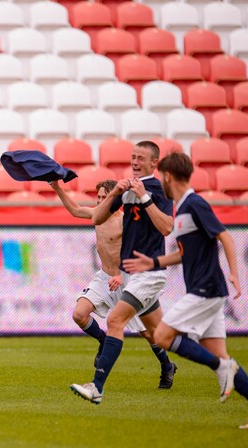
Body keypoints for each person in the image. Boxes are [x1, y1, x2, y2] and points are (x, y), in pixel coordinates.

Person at [123, 152, 248, 429]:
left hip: (206, 289)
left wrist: (234, 273)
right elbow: (184, 253)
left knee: (163, 336)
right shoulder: (182, 209)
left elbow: (225, 236)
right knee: (220, 353)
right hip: (204, 289)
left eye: (163, 179)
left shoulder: (194, 204)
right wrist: (154, 262)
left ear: (167, 177)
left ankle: (221, 369)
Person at [70, 140, 174, 404]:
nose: (135, 162)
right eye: (133, 157)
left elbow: (166, 228)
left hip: (146, 273)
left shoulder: (160, 190)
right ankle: (215, 364)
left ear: (154, 163)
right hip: (126, 275)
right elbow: (95, 217)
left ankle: (96, 386)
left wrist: (145, 197)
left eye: (141, 157)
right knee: (157, 334)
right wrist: (115, 192)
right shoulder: (126, 191)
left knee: (119, 323)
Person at [50, 179, 176, 388]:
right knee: (79, 314)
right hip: (104, 278)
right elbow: (74, 210)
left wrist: (121, 273)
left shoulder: (125, 221)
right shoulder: (98, 214)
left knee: (147, 333)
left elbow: (136, 250)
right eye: (98, 197)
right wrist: (57, 188)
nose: (100, 201)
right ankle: (102, 340)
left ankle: (166, 365)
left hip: (126, 280)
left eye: (104, 197)